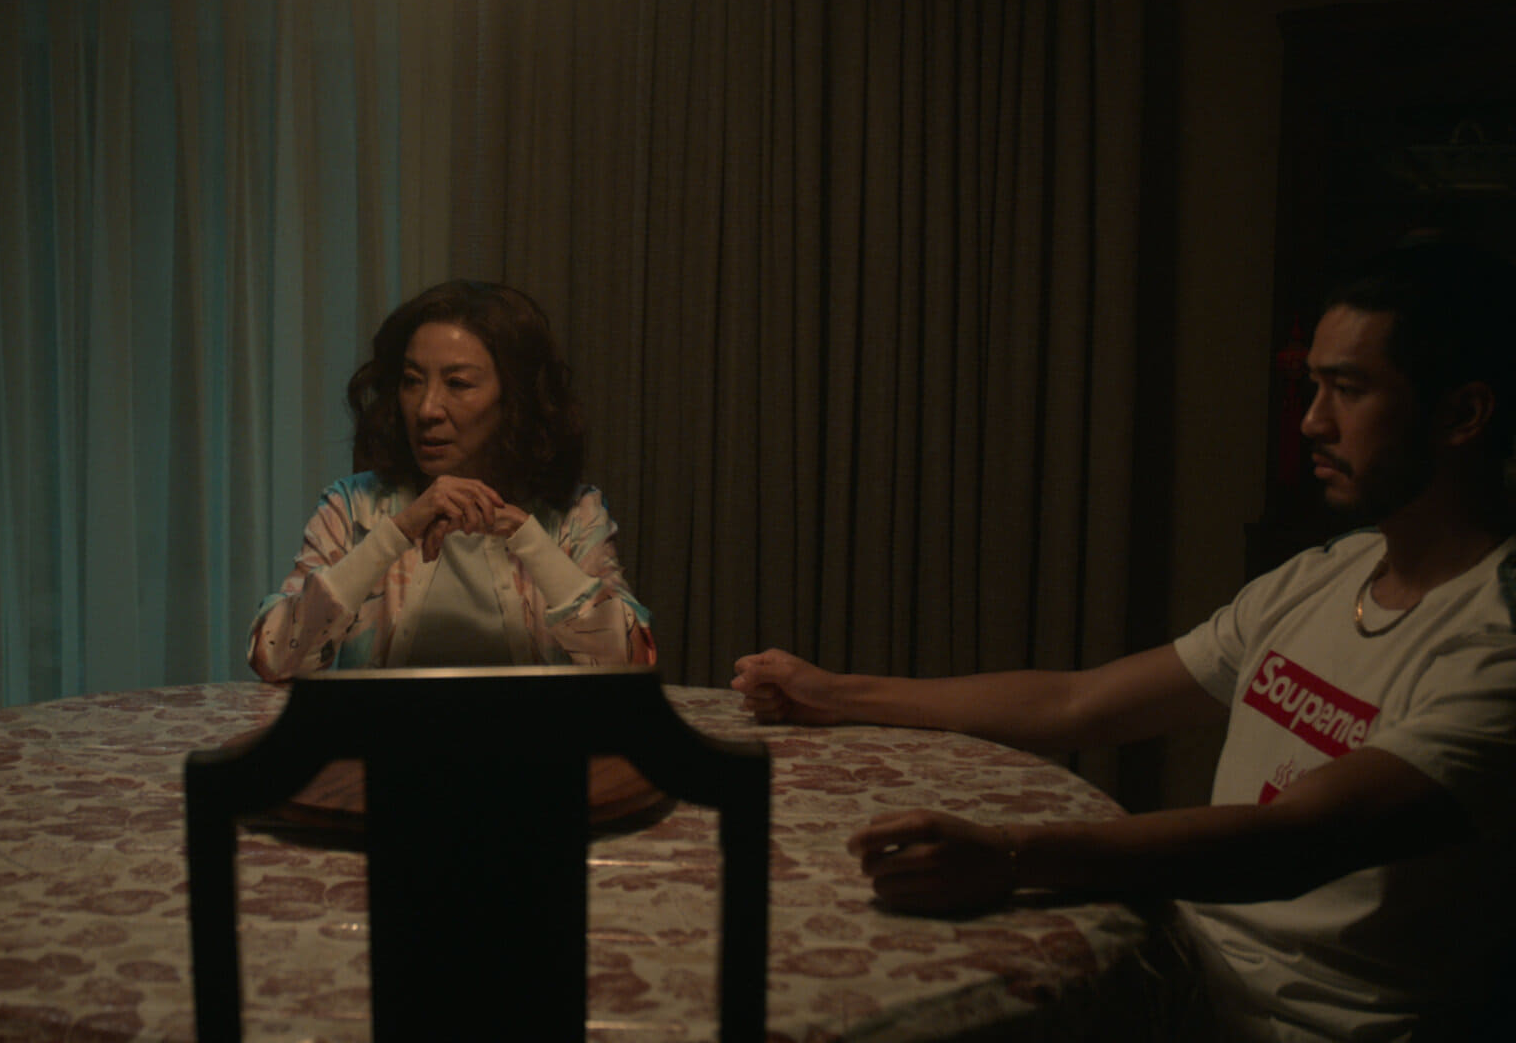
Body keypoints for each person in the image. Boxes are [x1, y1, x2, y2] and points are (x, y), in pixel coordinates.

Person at [731, 241, 1516, 1041]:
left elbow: (1299, 839)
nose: (1312, 421)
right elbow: (1081, 702)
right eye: (1311, 387)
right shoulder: (1328, 573)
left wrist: (1010, 855)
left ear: (1462, 414)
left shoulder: (1495, 644)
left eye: (1348, 390)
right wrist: (836, 693)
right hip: (1191, 972)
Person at [248, 279, 655, 681]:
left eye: (457, 384)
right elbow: (274, 659)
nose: (427, 409)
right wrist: (396, 534)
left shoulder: (573, 514)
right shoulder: (354, 507)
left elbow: (631, 665)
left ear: (514, 399)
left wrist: (528, 538)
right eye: (412, 381)